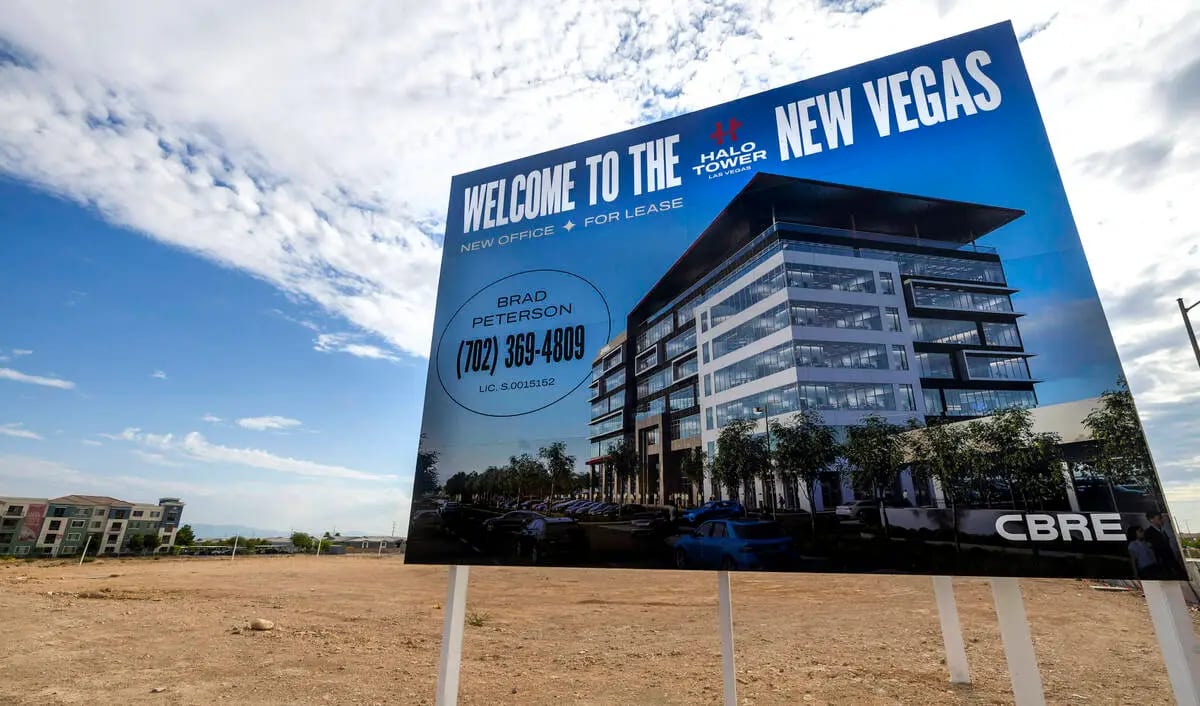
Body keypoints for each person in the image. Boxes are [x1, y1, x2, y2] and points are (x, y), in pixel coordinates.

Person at [1143, 511, 1184, 578]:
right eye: (1159, 519)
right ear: (1151, 520)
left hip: (1171, 558)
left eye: (1161, 518)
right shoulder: (1148, 532)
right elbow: (1150, 547)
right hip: (1162, 561)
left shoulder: (1162, 529)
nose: (1161, 520)